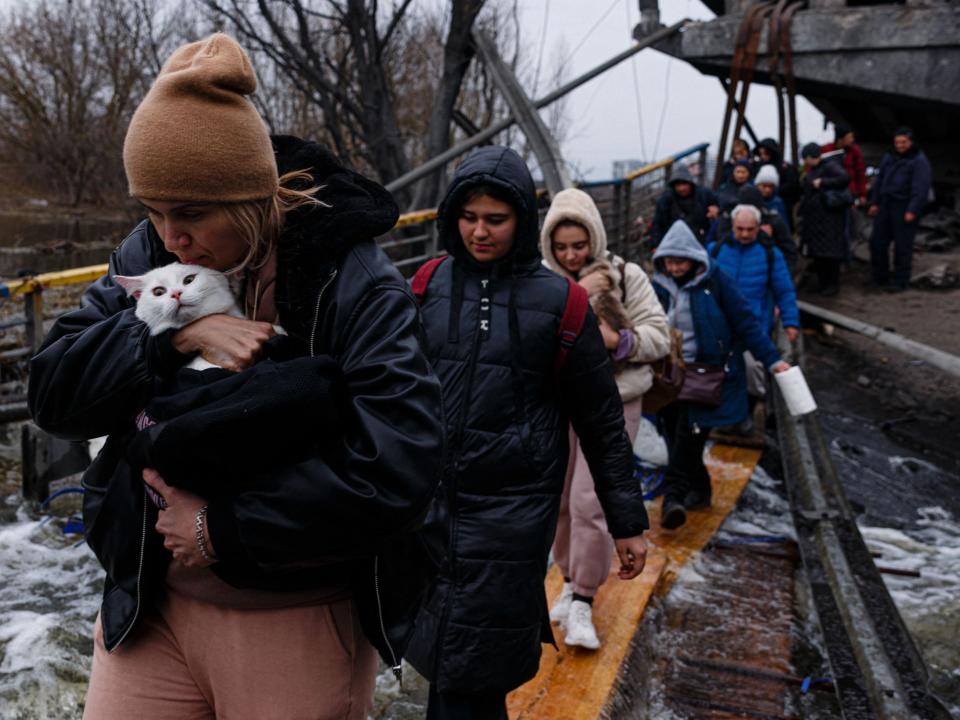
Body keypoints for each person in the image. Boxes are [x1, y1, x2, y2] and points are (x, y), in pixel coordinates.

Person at [27, 33, 444, 719]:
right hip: (150, 606)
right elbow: (55, 394)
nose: (169, 237)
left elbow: (400, 464)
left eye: (190, 213)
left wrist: (222, 528)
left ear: (250, 197)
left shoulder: (351, 279)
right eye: (154, 209)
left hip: (295, 615)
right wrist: (171, 333)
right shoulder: (150, 248)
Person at [404, 147, 650, 718]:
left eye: (496, 219)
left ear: (520, 219)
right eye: (469, 217)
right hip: (430, 509)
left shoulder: (561, 303)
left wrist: (628, 524)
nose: (480, 232)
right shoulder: (427, 285)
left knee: (471, 668)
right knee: (446, 659)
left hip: (511, 515)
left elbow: (600, 420)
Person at [540, 188, 670, 650]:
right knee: (556, 501)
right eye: (562, 247)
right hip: (559, 406)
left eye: (579, 245)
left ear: (593, 238)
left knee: (589, 502)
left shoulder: (625, 275)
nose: (571, 255)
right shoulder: (543, 282)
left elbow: (660, 336)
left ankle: (583, 600)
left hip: (614, 402)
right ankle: (571, 578)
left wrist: (619, 341)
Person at [652, 221, 790, 530]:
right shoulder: (657, 287)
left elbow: (746, 323)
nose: (674, 267)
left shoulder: (715, 283)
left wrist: (772, 360)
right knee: (673, 435)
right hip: (668, 376)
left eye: (680, 261)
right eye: (669, 261)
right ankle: (700, 491)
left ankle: (671, 499)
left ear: (694, 259)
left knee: (688, 438)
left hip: (706, 376)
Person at [707, 205, 800, 427]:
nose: (745, 234)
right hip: (720, 325)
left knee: (753, 370)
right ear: (732, 227)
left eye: (750, 229)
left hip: (754, 325)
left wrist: (791, 322)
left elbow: (784, 290)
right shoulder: (716, 250)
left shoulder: (770, 255)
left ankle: (746, 413)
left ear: (759, 228)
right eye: (740, 229)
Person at [868, 127, 933, 291]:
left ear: (910, 142)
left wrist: (912, 210)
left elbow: (921, 188)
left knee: (902, 246)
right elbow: (879, 180)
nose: (900, 145)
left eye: (903, 142)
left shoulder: (919, 161)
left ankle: (900, 281)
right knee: (877, 242)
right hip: (885, 204)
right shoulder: (889, 156)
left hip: (904, 206)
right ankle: (880, 277)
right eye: (897, 142)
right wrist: (874, 202)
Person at [798, 142, 851, 296]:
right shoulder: (814, 170)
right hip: (816, 220)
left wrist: (822, 182)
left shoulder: (829, 167)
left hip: (829, 220)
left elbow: (845, 178)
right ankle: (823, 284)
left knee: (830, 255)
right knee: (819, 255)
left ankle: (831, 285)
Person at [707, 185, 797, 274]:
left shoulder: (773, 220)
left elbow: (789, 252)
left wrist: (779, 274)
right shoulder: (727, 218)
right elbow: (720, 243)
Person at [650, 163, 720, 246]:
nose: (681, 188)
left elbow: (722, 202)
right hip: (673, 241)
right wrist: (655, 245)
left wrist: (717, 209)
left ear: (690, 183)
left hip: (699, 240)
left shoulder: (703, 194)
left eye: (684, 184)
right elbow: (658, 224)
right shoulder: (666, 200)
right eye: (678, 185)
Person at [822, 123, 868, 207]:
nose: (852, 140)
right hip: (831, 195)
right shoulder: (826, 150)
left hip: (850, 195)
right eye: (849, 137)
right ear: (840, 139)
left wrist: (862, 194)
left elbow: (860, 174)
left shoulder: (854, 151)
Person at [755, 137, 801, 221]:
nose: (763, 156)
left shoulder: (786, 167)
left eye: (766, 153)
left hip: (784, 207)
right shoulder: (758, 167)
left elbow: (793, 186)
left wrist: (774, 190)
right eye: (760, 153)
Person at [754, 164, 791, 231]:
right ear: (758, 185)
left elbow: (785, 226)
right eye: (764, 186)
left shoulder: (778, 202)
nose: (767, 190)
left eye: (770, 186)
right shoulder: (752, 201)